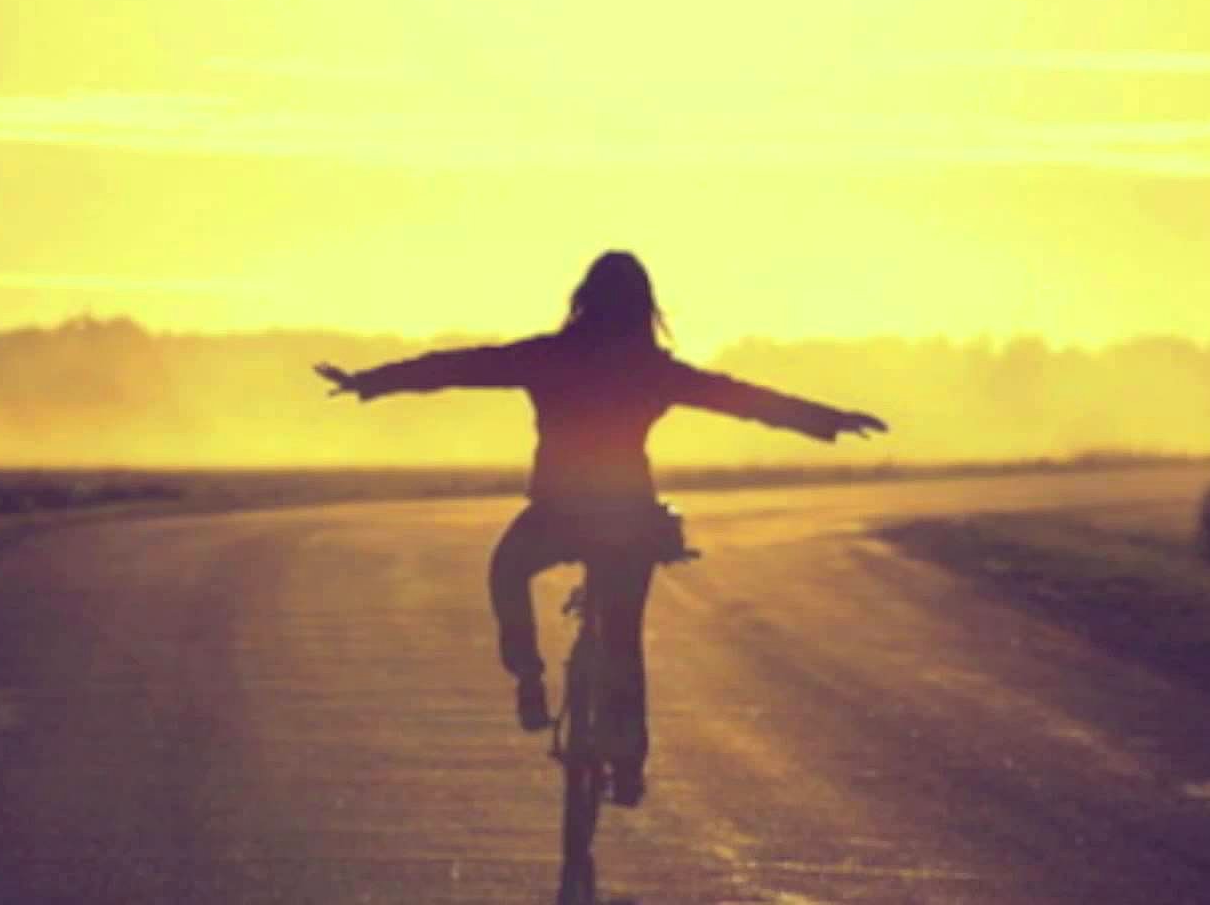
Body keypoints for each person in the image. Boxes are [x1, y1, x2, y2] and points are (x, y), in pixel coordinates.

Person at [313, 250, 886, 806]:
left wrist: (369, 382)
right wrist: (829, 420)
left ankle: (528, 673)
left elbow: (457, 368)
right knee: (623, 637)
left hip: (557, 512)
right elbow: (741, 399)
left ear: (583, 300)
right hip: (628, 518)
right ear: (644, 308)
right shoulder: (653, 370)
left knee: (507, 571)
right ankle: (629, 762)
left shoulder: (548, 356)